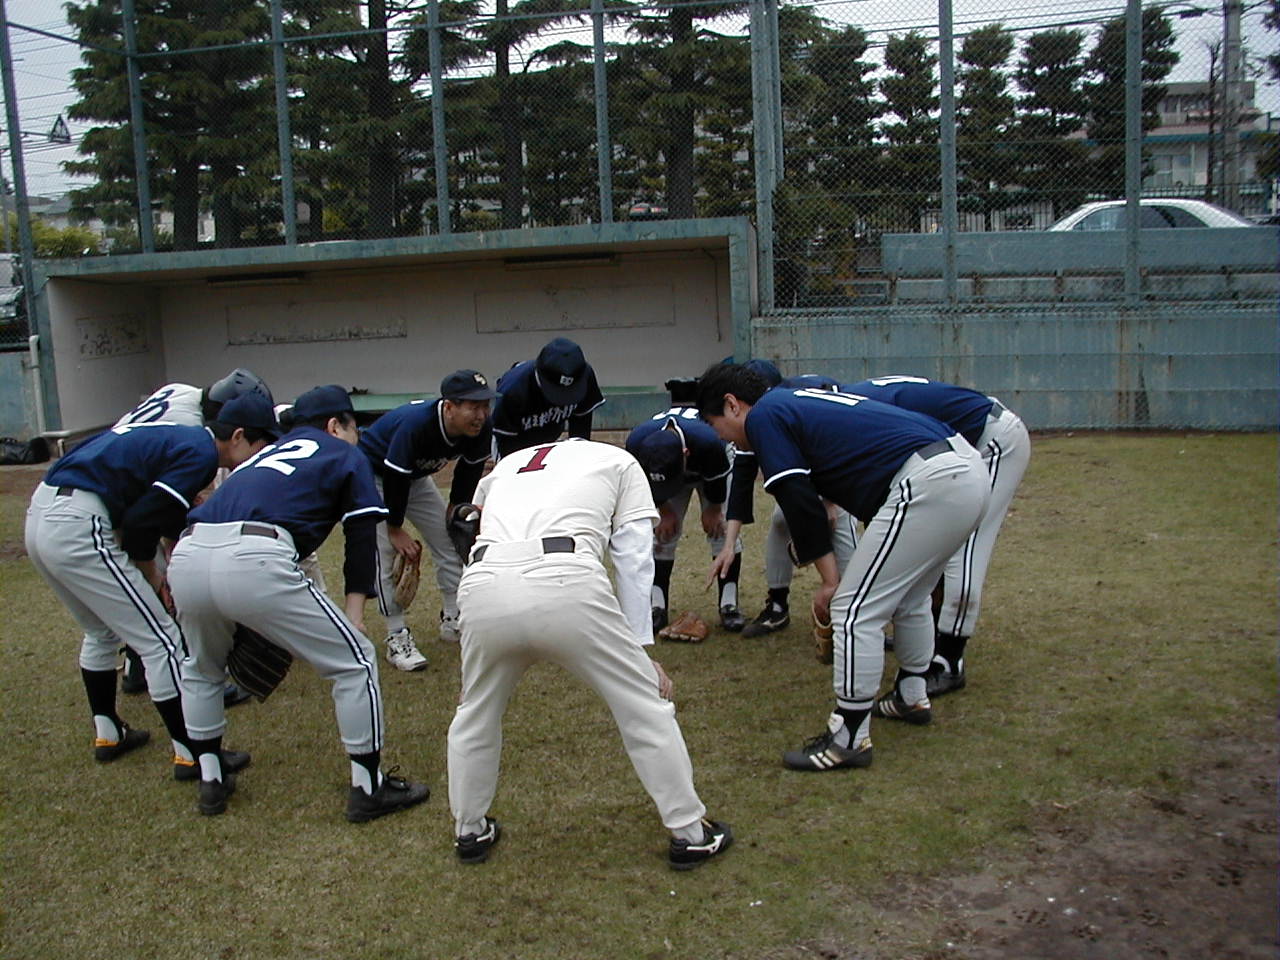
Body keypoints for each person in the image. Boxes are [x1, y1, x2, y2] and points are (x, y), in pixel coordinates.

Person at [446, 438, 732, 869]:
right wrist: (640, 648)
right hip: (566, 580)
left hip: (483, 579)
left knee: (474, 713)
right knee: (644, 707)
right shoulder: (620, 460)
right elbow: (633, 554)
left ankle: (469, 830)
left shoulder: (508, 463)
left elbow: (474, 529)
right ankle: (691, 834)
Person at [696, 363, 990, 772]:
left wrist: (830, 581)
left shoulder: (764, 415)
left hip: (930, 480)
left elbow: (798, 500)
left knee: (853, 610)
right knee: (911, 596)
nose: (722, 437)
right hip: (966, 468)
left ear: (732, 405)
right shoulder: (791, 402)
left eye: (715, 425)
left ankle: (848, 737)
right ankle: (911, 695)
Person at [168, 385, 430, 821]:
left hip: (189, 553)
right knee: (356, 661)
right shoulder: (344, 452)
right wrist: (354, 614)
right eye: (354, 427)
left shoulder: (261, 456)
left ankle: (211, 778)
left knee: (202, 667)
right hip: (256, 557)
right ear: (335, 425)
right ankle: (369, 788)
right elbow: (361, 536)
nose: (357, 437)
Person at [24, 392, 278, 778]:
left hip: (42, 513)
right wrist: (155, 577)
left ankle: (109, 733)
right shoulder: (202, 453)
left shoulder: (179, 437)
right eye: (262, 444)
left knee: (101, 632)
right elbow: (141, 526)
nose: (260, 455)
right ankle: (194, 754)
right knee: (162, 642)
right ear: (239, 436)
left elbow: (147, 504)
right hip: (78, 523)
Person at [838, 376, 1031, 699]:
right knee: (928, 546)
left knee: (965, 550)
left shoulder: (856, 409)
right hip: (961, 448)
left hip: (994, 440)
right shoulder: (851, 401)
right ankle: (927, 640)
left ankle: (949, 660)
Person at [113, 367, 275, 704]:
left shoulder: (180, 390)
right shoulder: (193, 433)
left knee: (146, 592)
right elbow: (166, 507)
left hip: (123, 486)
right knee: (160, 589)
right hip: (128, 502)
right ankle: (189, 680)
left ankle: (137, 669)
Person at [356, 370, 497, 671]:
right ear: (449, 407)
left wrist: (456, 508)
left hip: (415, 477)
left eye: (485, 405)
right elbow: (394, 475)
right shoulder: (417, 424)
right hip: (373, 474)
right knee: (385, 551)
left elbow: (469, 470)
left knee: (451, 540)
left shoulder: (481, 427)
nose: (481, 414)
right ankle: (396, 636)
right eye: (473, 406)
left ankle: (452, 618)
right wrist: (395, 527)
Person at [712, 363, 857, 638]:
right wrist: (729, 545)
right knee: (782, 520)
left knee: (839, 523)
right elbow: (742, 483)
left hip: (837, 472)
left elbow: (838, 446)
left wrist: (829, 501)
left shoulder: (799, 403)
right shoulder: (754, 421)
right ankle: (777, 603)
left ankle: (854, 607)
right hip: (802, 475)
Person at [625, 402, 746, 634]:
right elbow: (642, 483)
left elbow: (718, 483)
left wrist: (713, 509)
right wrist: (664, 509)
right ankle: (657, 606)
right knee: (662, 533)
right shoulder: (637, 443)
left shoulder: (710, 442)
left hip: (711, 466)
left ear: (685, 454)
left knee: (720, 530)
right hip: (673, 465)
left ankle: (729, 603)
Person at [490, 337, 604, 458]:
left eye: (569, 392)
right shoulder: (513, 389)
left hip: (550, 437)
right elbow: (506, 445)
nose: (563, 398)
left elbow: (580, 434)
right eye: (557, 391)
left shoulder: (584, 376)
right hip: (513, 442)